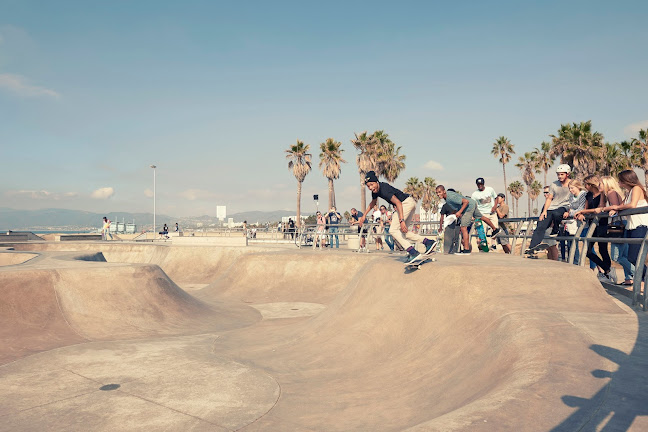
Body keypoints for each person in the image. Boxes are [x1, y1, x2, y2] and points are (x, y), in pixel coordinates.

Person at [359, 171, 437, 264]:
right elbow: (373, 203)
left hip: (404, 204)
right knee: (404, 233)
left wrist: (402, 220)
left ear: (376, 182)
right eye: (368, 186)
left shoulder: (384, 189)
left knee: (393, 230)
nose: (371, 188)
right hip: (409, 202)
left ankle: (413, 252)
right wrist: (364, 215)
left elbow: (398, 203)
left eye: (372, 184)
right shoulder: (376, 191)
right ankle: (428, 242)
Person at [600, 170, 648, 282]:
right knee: (631, 257)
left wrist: (615, 208)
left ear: (626, 180)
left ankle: (643, 280)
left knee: (634, 257)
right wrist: (613, 208)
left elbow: (632, 205)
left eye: (620, 179)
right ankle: (641, 281)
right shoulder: (629, 192)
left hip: (640, 225)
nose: (618, 182)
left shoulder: (636, 188)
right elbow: (620, 205)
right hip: (631, 226)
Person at [435, 185, 500, 255]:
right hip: (472, 203)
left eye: (439, 192)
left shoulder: (450, 197)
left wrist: (460, 212)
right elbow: (456, 205)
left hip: (468, 207)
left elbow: (466, 202)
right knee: (481, 217)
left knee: (463, 227)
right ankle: (495, 229)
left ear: (444, 191)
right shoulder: (447, 197)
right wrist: (455, 213)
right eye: (437, 193)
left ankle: (466, 250)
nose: (438, 194)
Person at [574, 176, 614, 280]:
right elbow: (586, 209)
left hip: (602, 224)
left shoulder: (602, 194)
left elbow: (599, 209)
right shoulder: (588, 195)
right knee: (588, 251)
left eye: (585, 184)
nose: (585, 186)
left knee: (603, 249)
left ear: (590, 184)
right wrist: (583, 213)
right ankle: (607, 269)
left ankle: (607, 273)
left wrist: (583, 212)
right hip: (593, 225)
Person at [526, 164, 572, 253]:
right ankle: (532, 247)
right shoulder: (554, 184)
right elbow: (549, 198)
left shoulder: (572, 184)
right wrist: (544, 211)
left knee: (557, 213)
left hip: (564, 207)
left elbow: (574, 199)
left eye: (562, 174)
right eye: (558, 174)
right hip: (552, 207)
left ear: (568, 174)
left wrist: (569, 211)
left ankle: (555, 229)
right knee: (541, 226)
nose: (559, 176)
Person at [599, 176, 634, 285]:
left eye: (600, 183)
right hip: (622, 224)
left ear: (606, 184)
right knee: (624, 255)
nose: (598, 185)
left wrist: (608, 209)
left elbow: (613, 206)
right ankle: (629, 278)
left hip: (618, 225)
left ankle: (640, 272)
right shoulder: (608, 194)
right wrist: (601, 195)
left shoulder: (611, 193)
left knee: (616, 256)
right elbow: (604, 206)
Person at [561, 180, 587, 264]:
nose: (570, 190)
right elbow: (571, 207)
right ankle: (573, 261)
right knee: (571, 243)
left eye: (572, 188)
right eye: (569, 188)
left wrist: (570, 213)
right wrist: (570, 212)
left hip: (582, 222)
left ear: (578, 187)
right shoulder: (571, 197)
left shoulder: (583, 194)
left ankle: (582, 263)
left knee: (586, 244)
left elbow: (581, 208)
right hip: (573, 223)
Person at [471, 177, 499, 249]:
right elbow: (473, 205)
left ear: (483, 184)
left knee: (496, 229)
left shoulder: (490, 189)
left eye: (481, 184)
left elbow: (496, 198)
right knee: (482, 231)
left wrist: (495, 206)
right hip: (482, 214)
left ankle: (493, 244)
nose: (480, 185)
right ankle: (483, 246)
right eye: (478, 184)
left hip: (491, 213)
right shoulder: (475, 194)